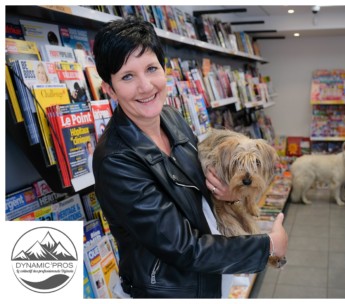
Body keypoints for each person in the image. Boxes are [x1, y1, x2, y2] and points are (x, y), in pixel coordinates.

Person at [92, 17, 287, 298]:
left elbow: (194, 192)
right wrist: (267, 246)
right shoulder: (116, 161)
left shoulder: (170, 117)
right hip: (170, 291)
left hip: (207, 277)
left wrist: (225, 194)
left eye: (151, 69)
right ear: (109, 88)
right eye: (127, 76)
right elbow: (184, 247)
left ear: (164, 70)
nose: (146, 87)